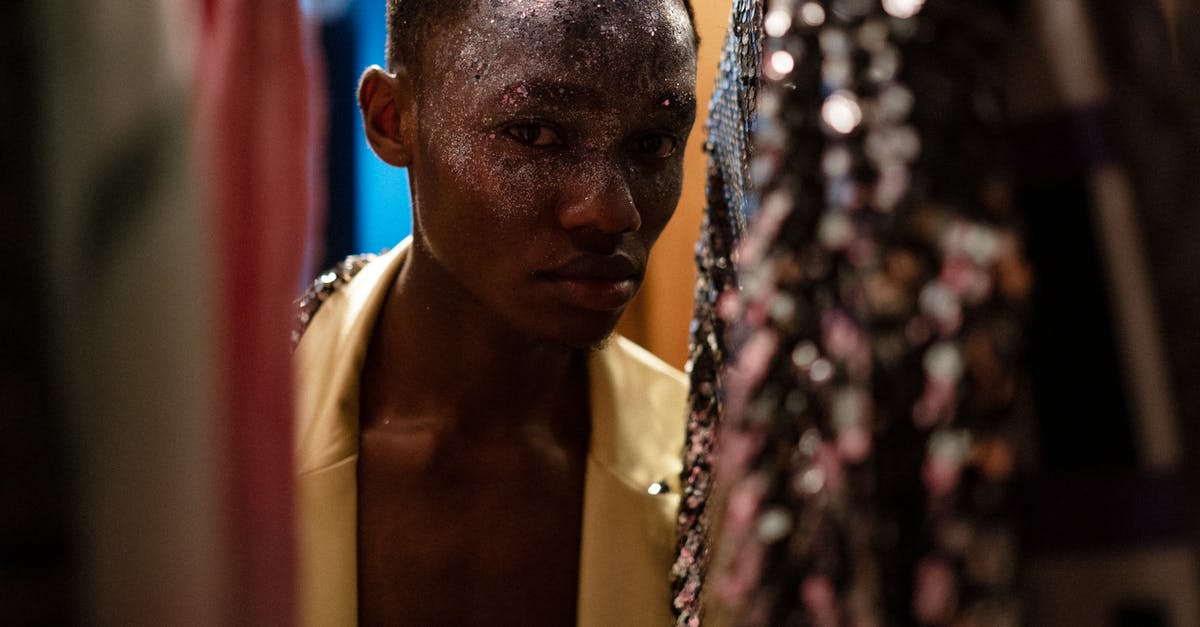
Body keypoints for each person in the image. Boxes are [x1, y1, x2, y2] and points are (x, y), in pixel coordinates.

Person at [292, 1, 699, 624]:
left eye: (654, 143)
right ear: (393, 121)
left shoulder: (714, 479)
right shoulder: (217, 444)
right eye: (534, 133)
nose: (611, 211)